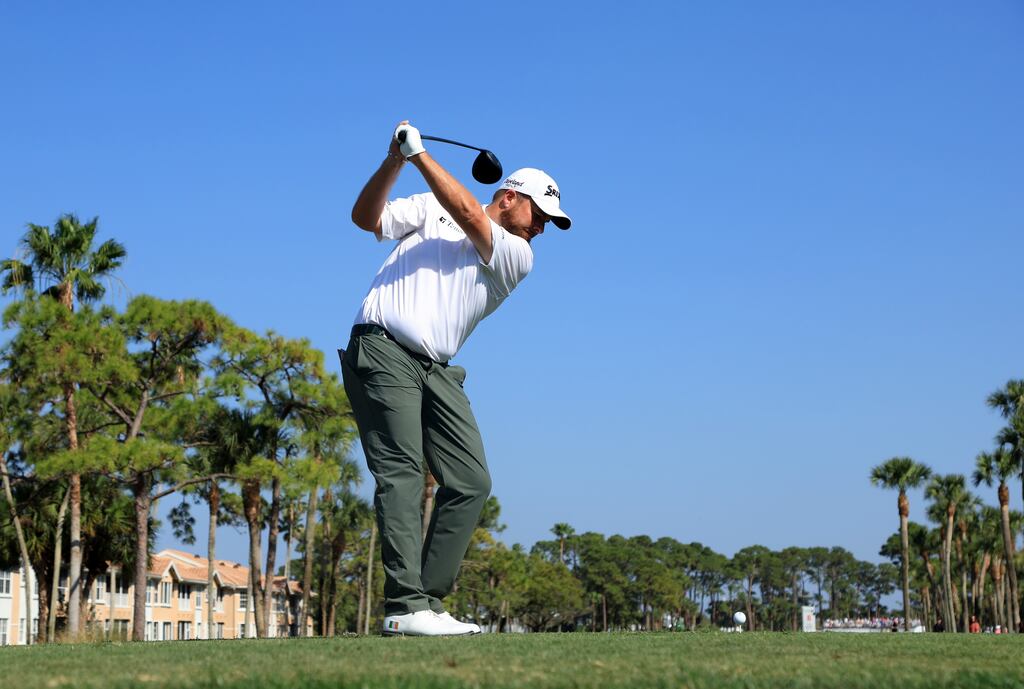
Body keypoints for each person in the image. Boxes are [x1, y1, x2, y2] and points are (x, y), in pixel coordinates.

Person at [341, 121, 571, 636]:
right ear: (509, 196)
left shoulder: (518, 256)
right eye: (540, 215)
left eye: (550, 224)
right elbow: (365, 218)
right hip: (382, 350)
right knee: (401, 474)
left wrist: (418, 154)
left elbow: (467, 211)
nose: (541, 229)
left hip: (437, 370)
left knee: (470, 482)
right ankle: (405, 608)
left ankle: (426, 599)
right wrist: (394, 161)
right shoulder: (429, 206)